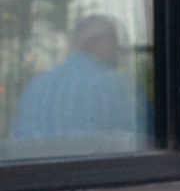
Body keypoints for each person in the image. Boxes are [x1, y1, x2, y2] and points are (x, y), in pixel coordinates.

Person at [9, 14, 150, 156]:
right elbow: (147, 145)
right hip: (98, 176)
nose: (119, 48)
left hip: (34, 176)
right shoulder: (116, 85)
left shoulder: (35, 86)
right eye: (114, 40)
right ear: (96, 42)